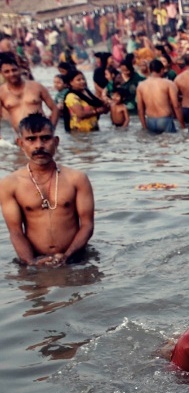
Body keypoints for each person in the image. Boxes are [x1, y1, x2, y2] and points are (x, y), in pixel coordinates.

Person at [0, 114, 95, 267]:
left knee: (86, 289)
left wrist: (67, 256)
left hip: (77, 258)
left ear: (56, 141)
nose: (39, 145)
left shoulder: (77, 179)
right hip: (34, 260)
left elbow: (87, 225)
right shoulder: (10, 184)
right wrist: (32, 263)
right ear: (20, 143)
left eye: (45, 138)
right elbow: (15, 232)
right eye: (31, 139)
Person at [0, 53, 59, 131]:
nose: (12, 74)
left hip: (42, 133)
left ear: (20, 69)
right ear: (1, 73)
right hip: (20, 137)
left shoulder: (36, 87)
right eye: (7, 72)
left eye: (14, 70)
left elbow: (55, 109)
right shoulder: (1, 92)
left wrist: (51, 129)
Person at [136, 59, 184, 133]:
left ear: (149, 70)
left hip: (150, 121)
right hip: (165, 120)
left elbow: (140, 109)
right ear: (162, 70)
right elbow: (176, 106)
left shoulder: (141, 85)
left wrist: (144, 127)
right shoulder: (169, 84)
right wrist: (182, 125)